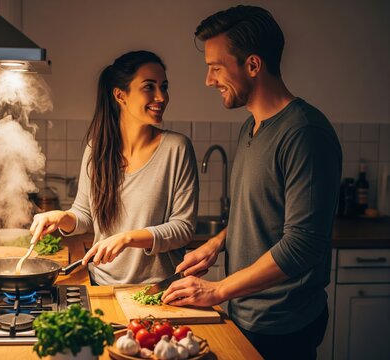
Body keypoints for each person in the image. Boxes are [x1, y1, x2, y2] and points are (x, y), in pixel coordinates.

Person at [161, 5, 342, 360]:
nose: (208, 80)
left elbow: (303, 245)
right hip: (244, 314)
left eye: (216, 68)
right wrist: (216, 244)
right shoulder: (251, 127)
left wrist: (216, 290)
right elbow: (260, 213)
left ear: (253, 65)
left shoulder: (305, 133)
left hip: (283, 325)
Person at [29, 50, 198, 285]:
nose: (161, 96)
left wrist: (127, 238)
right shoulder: (96, 148)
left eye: (164, 86)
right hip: (102, 284)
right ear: (120, 95)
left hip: (158, 289)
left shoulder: (177, 148)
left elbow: (183, 228)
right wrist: (62, 217)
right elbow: (85, 215)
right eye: (149, 87)